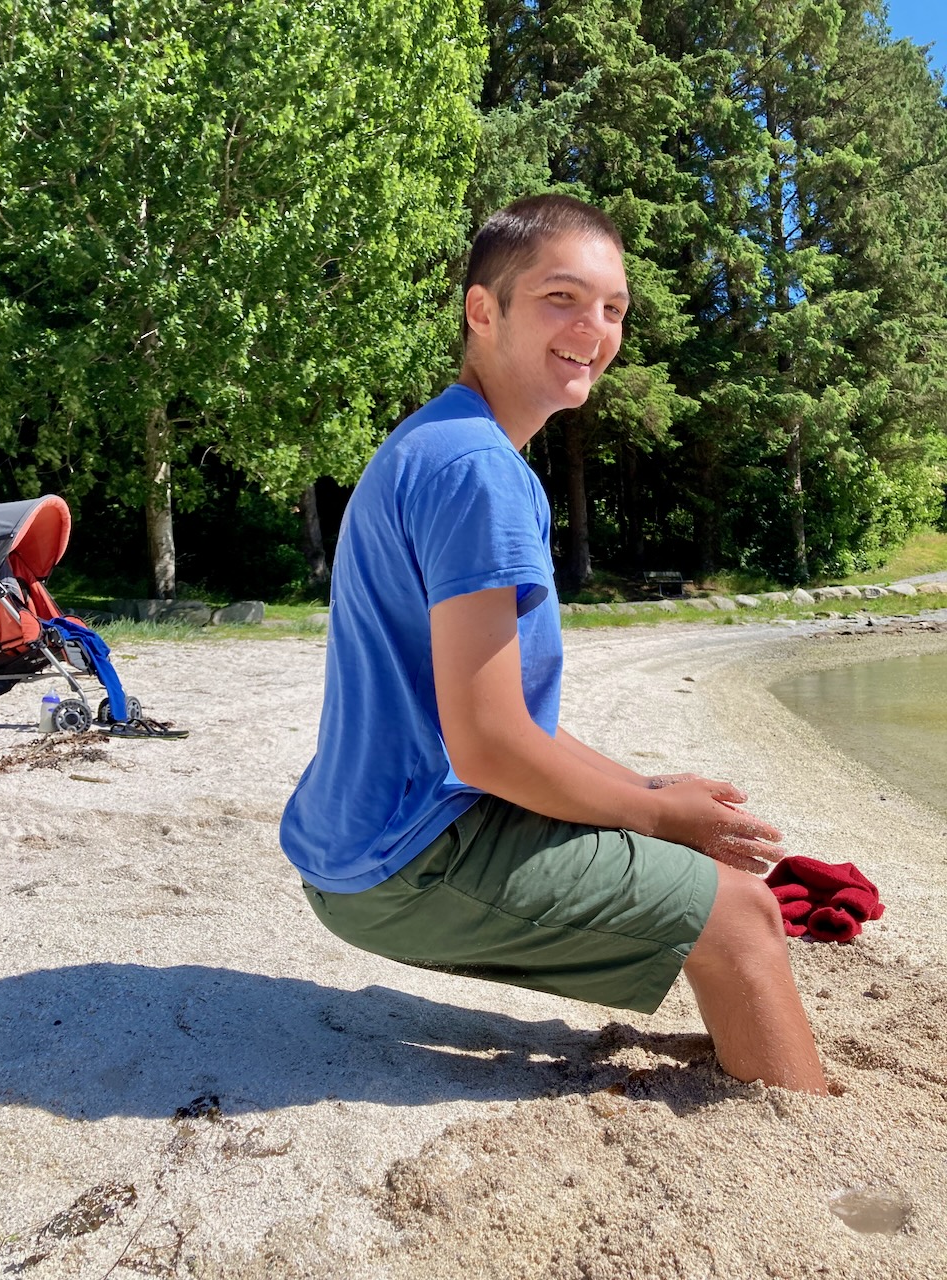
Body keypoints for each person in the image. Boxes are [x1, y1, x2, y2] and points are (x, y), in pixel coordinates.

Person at [280, 194, 828, 1096]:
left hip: (354, 842)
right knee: (740, 916)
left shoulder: (441, 442)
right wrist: (659, 819)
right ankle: (803, 1133)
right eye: (561, 299)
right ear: (482, 309)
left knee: (698, 864)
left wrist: (646, 790)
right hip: (405, 861)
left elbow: (505, 721)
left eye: (613, 308)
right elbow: (489, 747)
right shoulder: (479, 472)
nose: (594, 329)